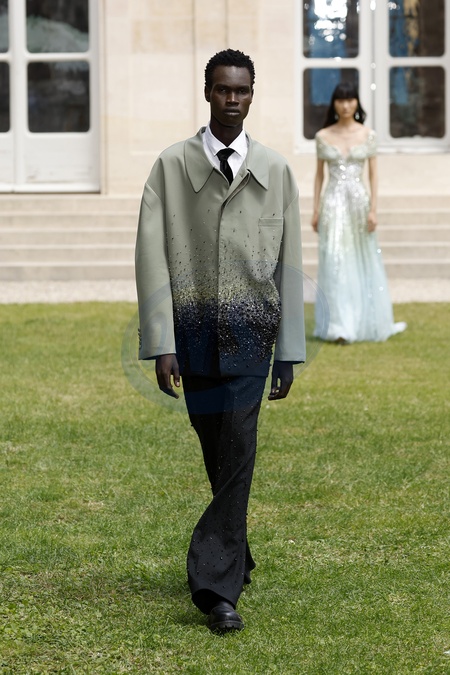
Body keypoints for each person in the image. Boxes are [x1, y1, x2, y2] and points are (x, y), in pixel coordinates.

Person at [135, 49, 305, 633]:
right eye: (223, 89)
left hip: (253, 336)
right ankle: (238, 555)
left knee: (238, 450)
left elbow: (290, 265)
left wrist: (289, 350)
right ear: (207, 92)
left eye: (242, 90)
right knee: (220, 454)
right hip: (193, 336)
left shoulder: (276, 171)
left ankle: (216, 589)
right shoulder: (169, 166)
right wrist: (162, 342)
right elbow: (151, 259)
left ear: (253, 95)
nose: (233, 99)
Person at [311, 82, 407, 343]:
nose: (345, 105)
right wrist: (315, 209)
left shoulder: (368, 134)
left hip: (359, 204)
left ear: (356, 102)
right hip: (332, 204)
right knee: (334, 260)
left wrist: (374, 209)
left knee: (363, 259)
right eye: (340, 100)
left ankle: (365, 320)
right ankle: (339, 326)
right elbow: (319, 176)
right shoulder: (322, 136)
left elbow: (374, 175)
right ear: (334, 103)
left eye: (350, 99)